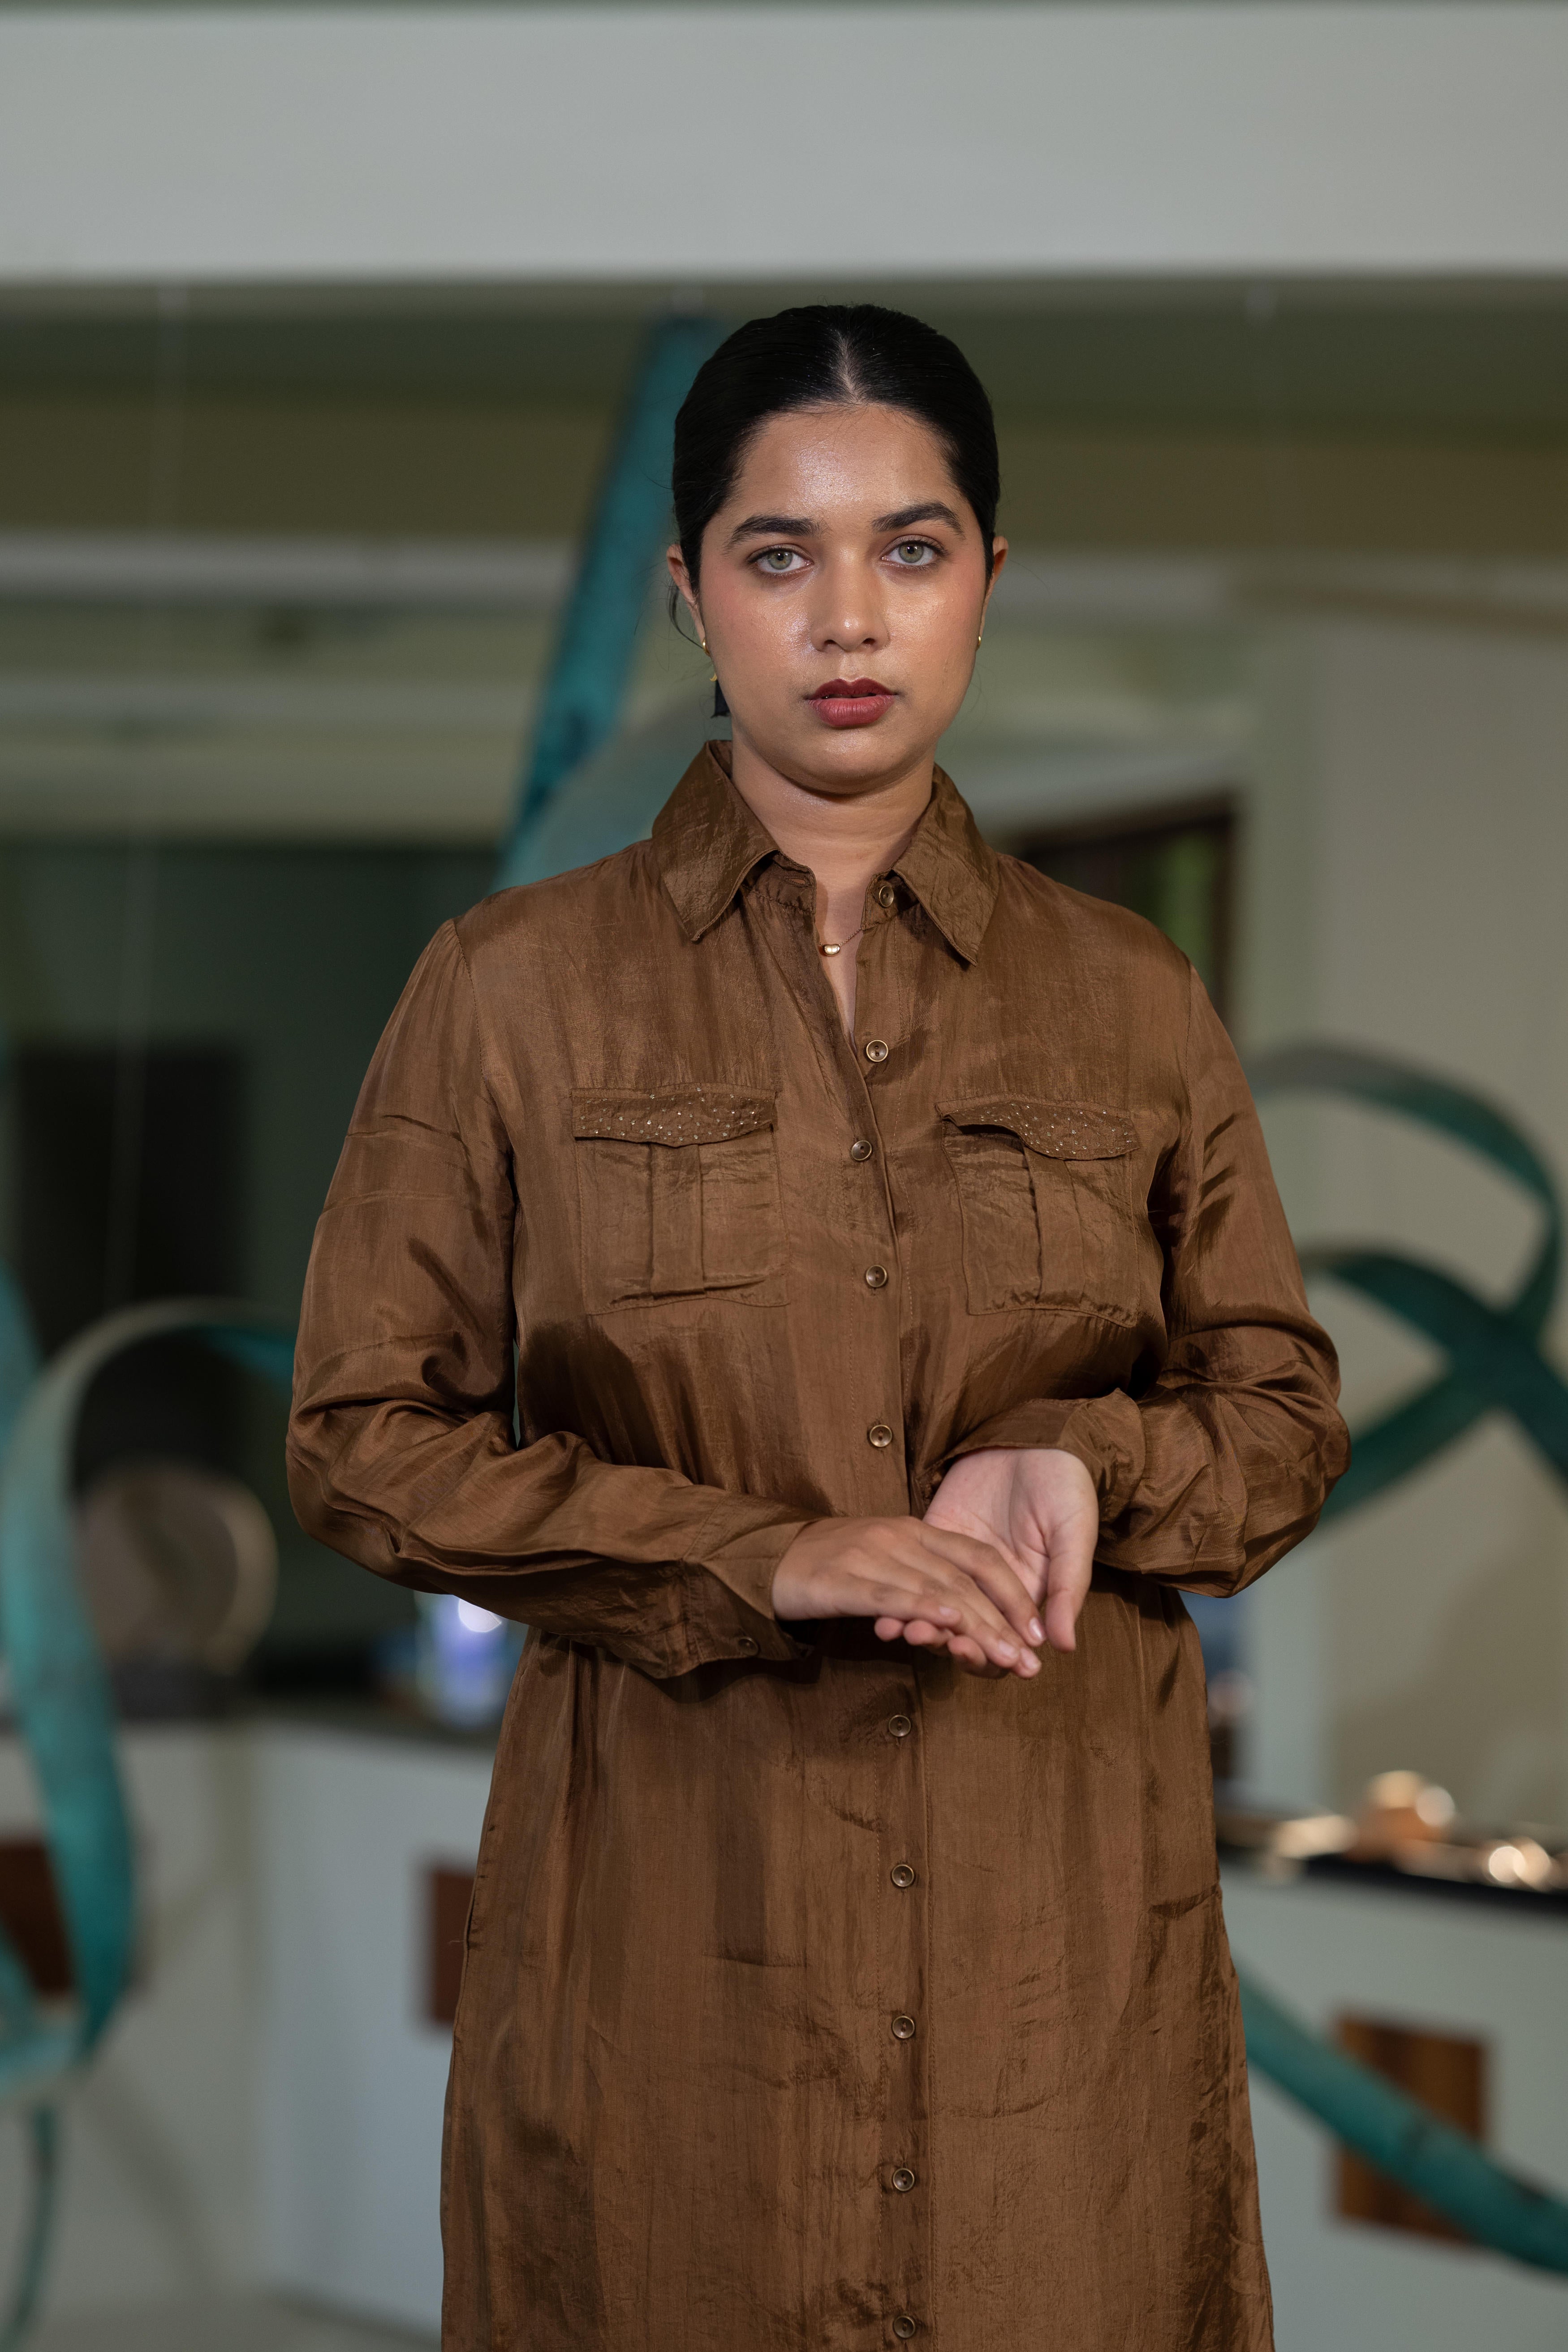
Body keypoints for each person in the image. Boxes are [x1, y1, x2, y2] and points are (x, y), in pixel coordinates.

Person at [288, 304, 1347, 2352]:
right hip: (667, 1988)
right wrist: (757, 1551)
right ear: (688, 592)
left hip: (1057, 2008)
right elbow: (359, 1435)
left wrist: (1079, 1455)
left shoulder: (1130, 996)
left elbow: (1279, 1411)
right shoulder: (507, 988)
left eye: (909, 548)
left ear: (986, 580)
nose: (847, 616)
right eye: (778, 553)